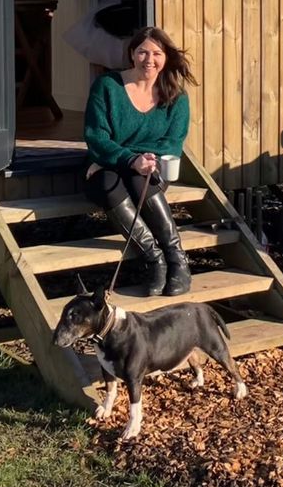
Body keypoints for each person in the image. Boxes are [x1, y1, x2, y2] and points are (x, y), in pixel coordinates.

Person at [83, 26, 198, 297]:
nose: (149, 59)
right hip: (108, 163)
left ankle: (177, 259)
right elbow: (96, 135)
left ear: (166, 57)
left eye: (157, 53)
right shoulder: (108, 86)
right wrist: (128, 158)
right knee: (108, 182)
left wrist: (145, 161)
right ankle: (155, 259)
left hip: (148, 168)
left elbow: (172, 142)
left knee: (137, 179)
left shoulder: (177, 96)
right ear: (131, 55)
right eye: (142, 52)